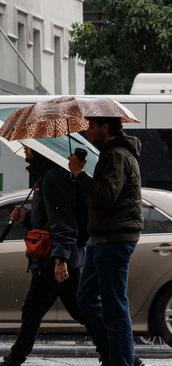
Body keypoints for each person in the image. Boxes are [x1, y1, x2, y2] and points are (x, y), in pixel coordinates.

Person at [68, 116, 144, 366]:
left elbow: (106, 196)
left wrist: (79, 174)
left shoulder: (117, 155)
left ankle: (123, 361)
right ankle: (117, 354)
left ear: (105, 127)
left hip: (115, 237)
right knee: (86, 298)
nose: (87, 131)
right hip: (101, 238)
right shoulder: (110, 154)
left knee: (114, 306)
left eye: (91, 126)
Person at [0, 147, 86, 366]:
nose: (25, 151)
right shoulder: (45, 178)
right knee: (77, 311)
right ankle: (122, 354)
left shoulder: (53, 178)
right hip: (52, 258)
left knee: (40, 310)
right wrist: (26, 217)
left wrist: (60, 259)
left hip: (53, 260)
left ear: (40, 152)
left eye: (29, 149)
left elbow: (63, 222)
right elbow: (48, 221)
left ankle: (15, 359)